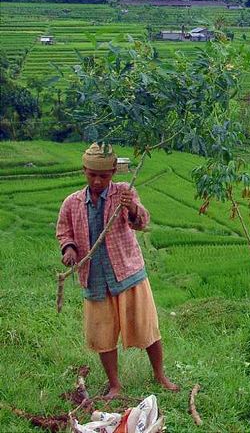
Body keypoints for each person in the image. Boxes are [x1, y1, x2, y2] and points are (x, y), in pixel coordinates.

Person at [56, 143, 178, 399]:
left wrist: (131, 208)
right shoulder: (73, 203)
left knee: (147, 327)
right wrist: (69, 249)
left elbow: (142, 221)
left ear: (113, 172)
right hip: (95, 278)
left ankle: (160, 375)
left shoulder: (124, 193)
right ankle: (115, 384)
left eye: (103, 175)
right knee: (103, 334)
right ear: (84, 171)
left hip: (128, 273)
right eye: (92, 175)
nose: (98, 181)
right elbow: (64, 230)